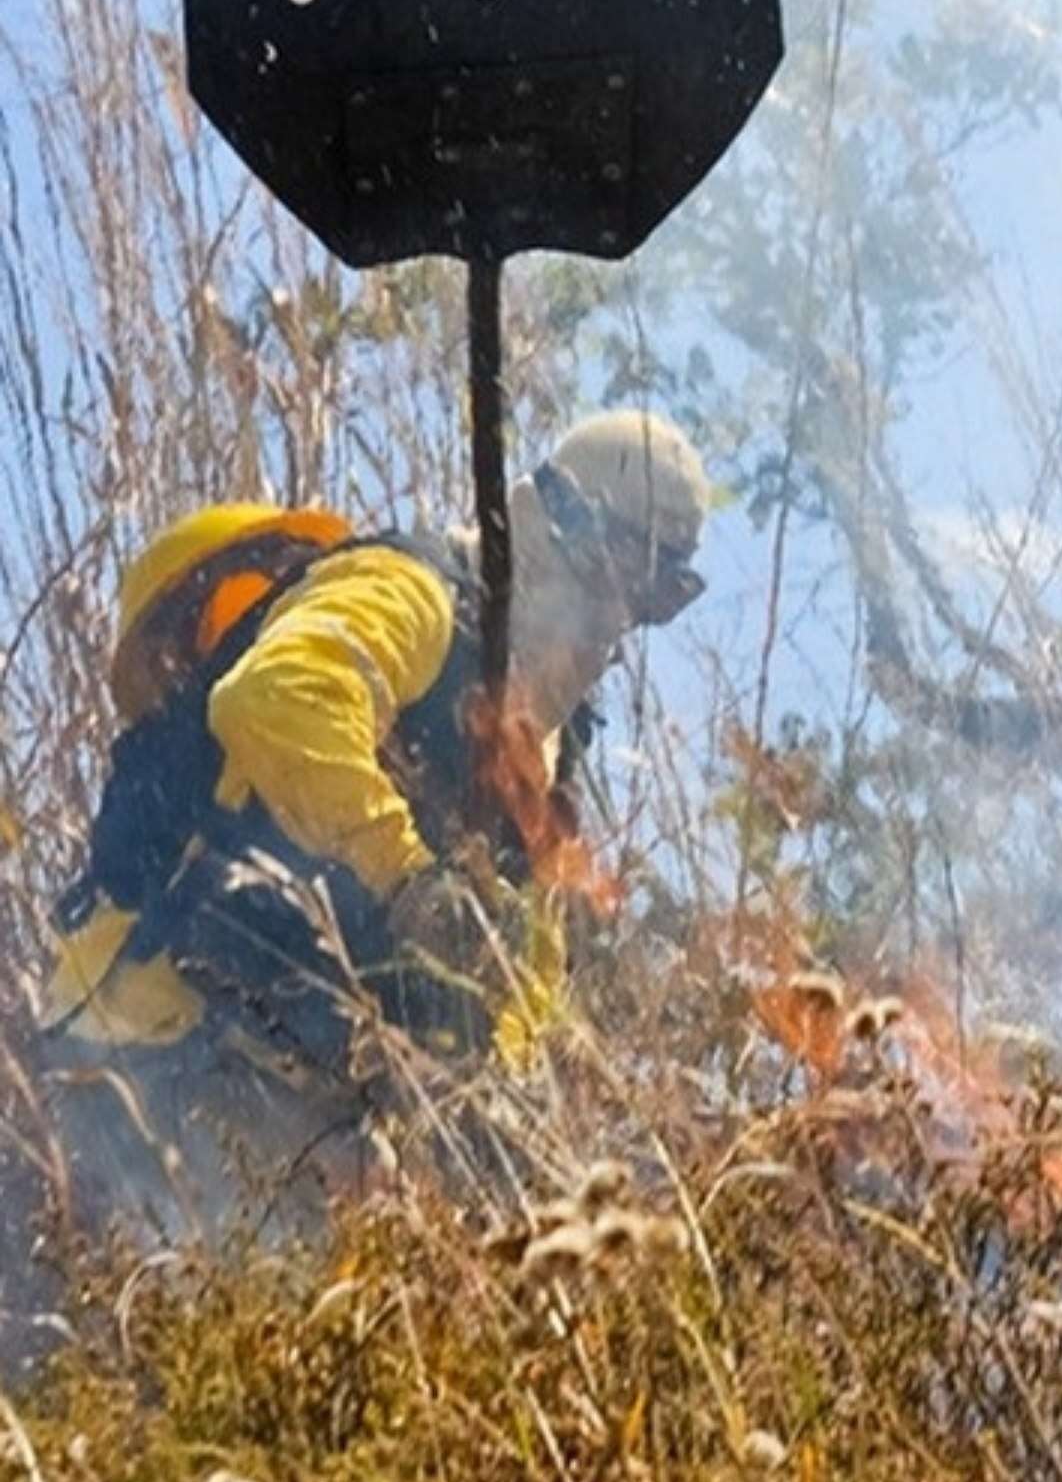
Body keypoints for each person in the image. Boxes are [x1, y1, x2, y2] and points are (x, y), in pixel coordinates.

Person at [38, 409, 710, 1237]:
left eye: (658, 597)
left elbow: (524, 962)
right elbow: (276, 696)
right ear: (552, 525)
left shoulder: (543, 742)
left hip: (289, 1095)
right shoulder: (411, 590)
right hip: (148, 1035)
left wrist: (514, 1101)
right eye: (619, 573)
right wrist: (408, 880)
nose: (620, 620)